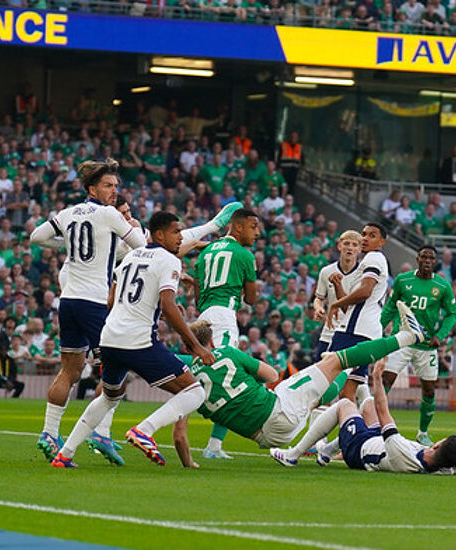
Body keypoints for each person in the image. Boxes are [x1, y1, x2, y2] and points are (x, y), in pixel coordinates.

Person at [52, 212, 214, 468]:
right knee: (194, 391)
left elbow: (111, 300)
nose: (180, 237)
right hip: (137, 340)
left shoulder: (129, 257)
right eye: (175, 231)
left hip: (110, 337)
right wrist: (197, 346)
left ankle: (65, 454)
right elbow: (168, 306)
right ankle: (144, 431)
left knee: (109, 397)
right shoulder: (169, 260)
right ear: (159, 234)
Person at [174, 301, 426, 465]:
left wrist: (188, 463)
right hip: (277, 413)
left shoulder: (187, 377)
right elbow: (272, 374)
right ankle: (408, 336)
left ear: (186, 346)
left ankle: (315, 450)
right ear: (213, 342)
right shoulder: (227, 353)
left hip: (267, 436)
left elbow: (179, 436)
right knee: (337, 361)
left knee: (325, 393)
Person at [30, 159, 147, 462]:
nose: (114, 191)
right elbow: (140, 246)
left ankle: (49, 431)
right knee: (117, 371)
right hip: (94, 303)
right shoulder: (109, 214)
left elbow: (36, 238)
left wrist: (67, 245)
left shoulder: (68, 213)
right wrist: (132, 230)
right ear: (92, 188)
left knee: (69, 370)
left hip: (68, 302)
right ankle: (100, 432)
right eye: (108, 186)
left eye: (116, 186)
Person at [275, 360, 456, 474]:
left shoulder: (403, 452)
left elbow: (384, 409)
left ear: (437, 445)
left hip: (359, 451)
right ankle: (327, 450)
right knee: (365, 404)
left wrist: (378, 377)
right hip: (374, 439)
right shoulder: (446, 466)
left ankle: (294, 454)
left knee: (345, 405)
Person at [192, 208, 260, 459]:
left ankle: (211, 444)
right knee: (228, 375)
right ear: (238, 226)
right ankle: (214, 446)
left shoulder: (207, 251)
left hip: (205, 314)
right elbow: (251, 299)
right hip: (224, 314)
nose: (258, 233)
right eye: (253, 226)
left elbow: (197, 292)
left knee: (204, 370)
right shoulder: (244, 254)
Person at [380, 245, 456, 445]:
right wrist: (378, 327)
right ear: (417, 259)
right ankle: (375, 425)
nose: (427, 261)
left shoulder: (442, 286)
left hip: (426, 345)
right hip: (402, 340)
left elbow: (451, 313)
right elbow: (390, 306)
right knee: (385, 381)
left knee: (429, 391)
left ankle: (423, 433)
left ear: (435, 261)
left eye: (431, 258)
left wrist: (440, 335)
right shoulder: (402, 280)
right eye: (424, 257)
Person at [326, 223, 389, 403]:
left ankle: (320, 431)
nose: (365, 239)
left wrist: (335, 304)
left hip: (354, 332)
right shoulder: (369, 262)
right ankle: (353, 429)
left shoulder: (374, 258)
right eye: (364, 234)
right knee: (348, 393)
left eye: (372, 235)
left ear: (382, 241)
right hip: (364, 331)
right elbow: (352, 307)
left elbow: (365, 292)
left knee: (325, 384)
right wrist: (339, 286)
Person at [313, 230, 363, 361]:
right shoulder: (326, 271)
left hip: (352, 331)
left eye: (354, 245)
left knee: (346, 376)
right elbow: (319, 298)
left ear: (359, 249)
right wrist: (318, 308)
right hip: (329, 330)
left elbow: (349, 305)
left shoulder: (363, 275)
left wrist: (337, 285)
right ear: (339, 246)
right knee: (319, 371)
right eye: (346, 243)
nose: (350, 248)